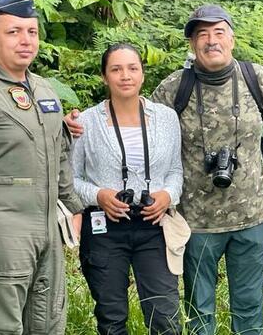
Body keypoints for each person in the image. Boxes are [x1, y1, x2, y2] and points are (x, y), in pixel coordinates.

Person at [66, 4, 263, 335]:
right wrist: (72, 123)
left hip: (251, 215)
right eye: (202, 35)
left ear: (232, 37)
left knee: (248, 307)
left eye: (218, 32)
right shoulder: (173, 88)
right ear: (192, 44)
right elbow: (130, 121)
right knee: (197, 310)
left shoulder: (258, 78)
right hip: (195, 219)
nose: (211, 41)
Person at [0, 0, 84, 334]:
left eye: (31, 31)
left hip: (47, 231)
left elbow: (58, 151)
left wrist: (72, 207)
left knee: (48, 323)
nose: (25, 40)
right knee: (2, 327)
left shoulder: (45, 90)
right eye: (13, 32)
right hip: (1, 232)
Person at [70, 43, 185, 334]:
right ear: (104, 77)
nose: (125, 76)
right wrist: (99, 195)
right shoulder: (85, 122)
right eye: (116, 69)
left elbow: (175, 171)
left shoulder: (166, 118)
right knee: (111, 315)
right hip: (104, 228)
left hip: (154, 225)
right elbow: (70, 179)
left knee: (165, 314)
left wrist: (167, 195)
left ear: (143, 74)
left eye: (133, 68)